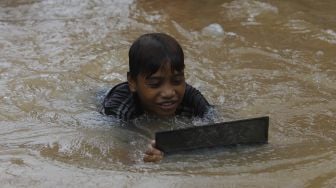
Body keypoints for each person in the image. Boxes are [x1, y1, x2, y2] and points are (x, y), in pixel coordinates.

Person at [102, 33, 212, 162]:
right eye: (155, 84)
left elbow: (217, 127)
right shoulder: (119, 105)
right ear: (132, 82)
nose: (168, 93)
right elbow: (120, 150)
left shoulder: (191, 98)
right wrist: (144, 154)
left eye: (177, 81)